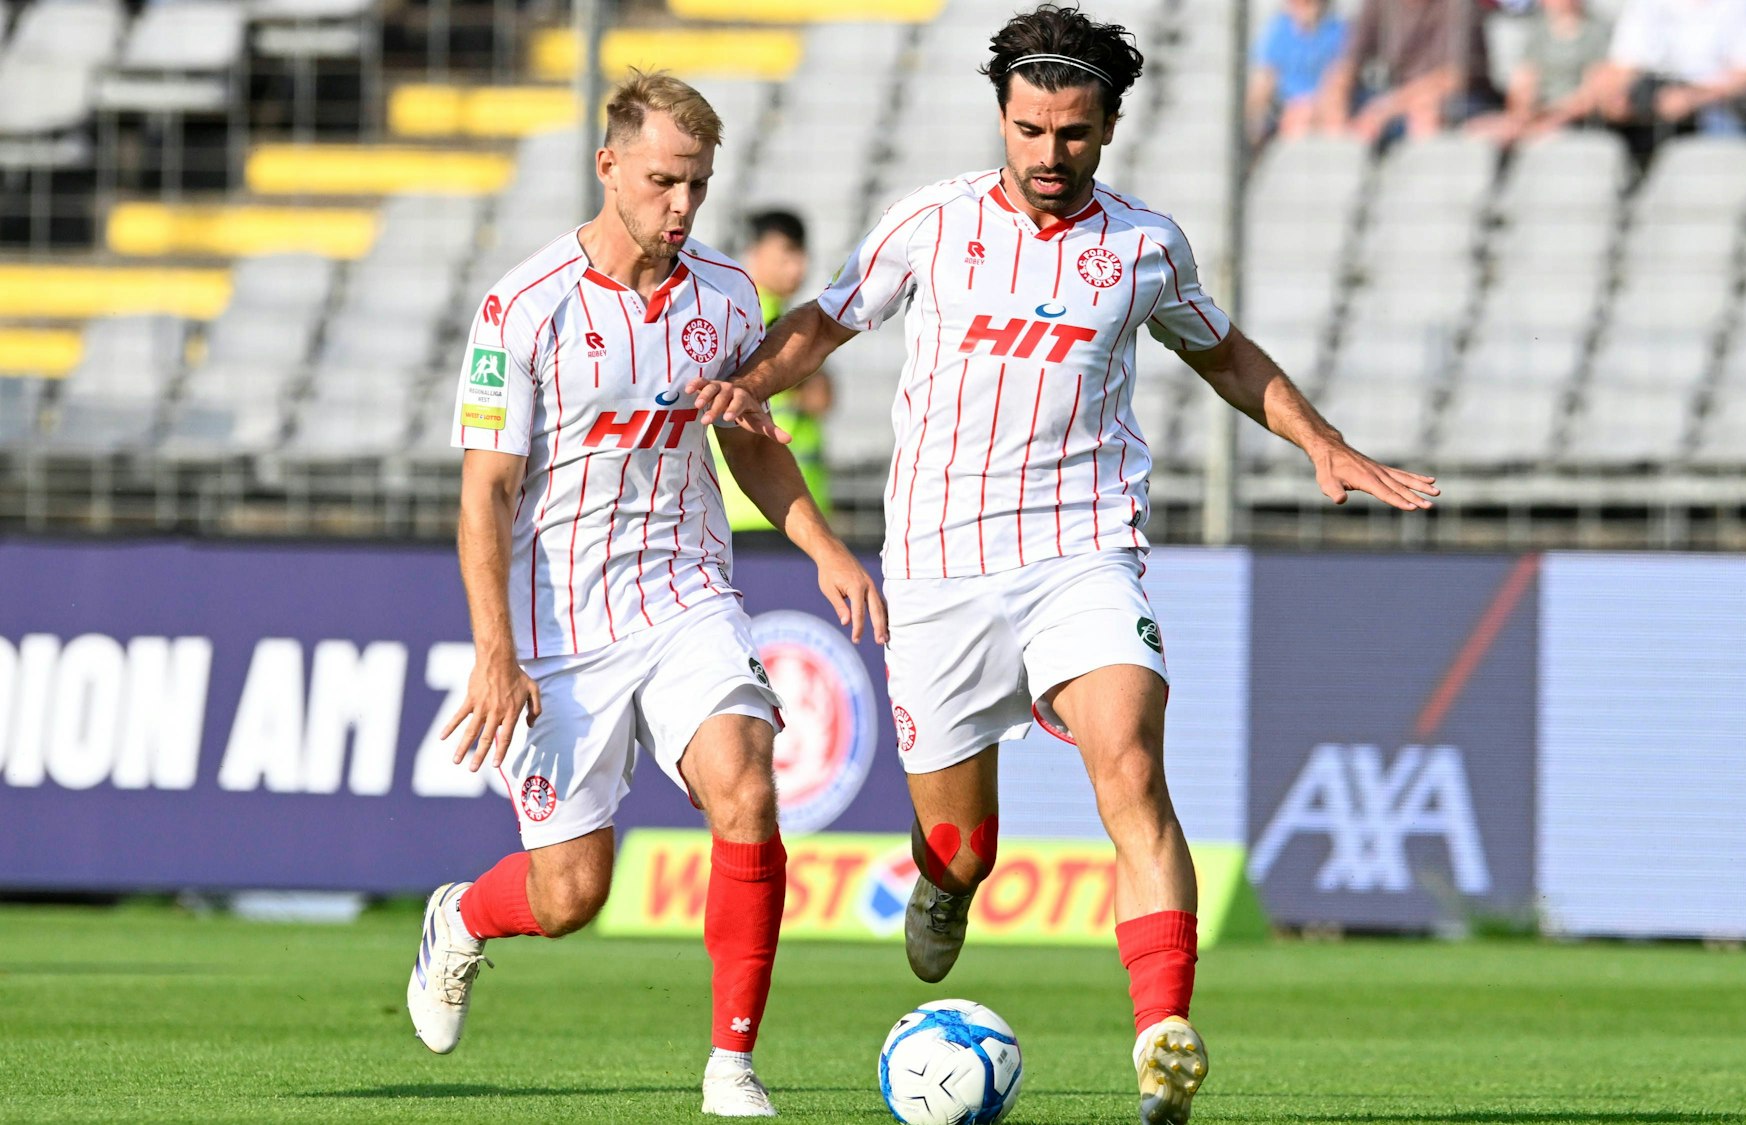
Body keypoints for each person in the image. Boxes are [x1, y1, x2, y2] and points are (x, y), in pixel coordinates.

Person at [692, 6, 1440, 1122]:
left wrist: (1317, 437)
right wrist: (746, 382)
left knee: (1130, 768)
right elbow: (824, 323)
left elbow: (1223, 352)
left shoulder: (1143, 247)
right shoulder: (930, 226)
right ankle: (944, 890)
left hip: (1079, 555)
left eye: (1074, 135)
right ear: (1002, 116)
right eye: (1032, 130)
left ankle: (1162, 1040)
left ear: (1107, 129)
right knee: (957, 847)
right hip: (939, 574)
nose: (1050, 156)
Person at [405, 70, 886, 1119]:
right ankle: (460, 921)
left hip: (686, 596)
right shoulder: (520, 309)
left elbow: (747, 442)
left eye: (698, 186)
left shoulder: (723, 294)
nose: (680, 206)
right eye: (664, 181)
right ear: (608, 166)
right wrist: (495, 651)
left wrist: (820, 546)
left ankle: (730, 1067)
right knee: (571, 895)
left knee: (748, 787)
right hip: (559, 628)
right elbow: (485, 494)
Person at [713, 209, 835, 531]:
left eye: (801, 255)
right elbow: (820, 396)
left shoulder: (778, 315)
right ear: (753, 253)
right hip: (761, 507)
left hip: (779, 506)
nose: (798, 267)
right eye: (787, 254)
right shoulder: (754, 319)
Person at [1319, 0, 1496, 144]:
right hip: (1395, 96)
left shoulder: (1461, 6)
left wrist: (1387, 108)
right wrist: (1335, 100)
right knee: (1307, 114)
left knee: (1425, 115)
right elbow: (1346, 63)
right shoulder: (1379, 4)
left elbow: (1455, 77)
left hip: (1462, 100)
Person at [1593, 0, 1746, 138]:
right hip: (1652, 107)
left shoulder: (1741, 6)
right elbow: (1623, 65)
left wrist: (1694, 98)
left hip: (1715, 108)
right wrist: (1616, 97)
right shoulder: (1646, 5)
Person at [1467, 0, 1612, 144]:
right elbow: (1525, 80)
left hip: (1574, 120)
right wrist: (1521, 119)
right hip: (1538, 114)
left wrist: (1551, 119)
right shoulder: (1538, 31)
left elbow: (1592, 92)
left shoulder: (1596, 32)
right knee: (1476, 132)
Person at [1246, 0, 1347, 148]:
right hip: (1284, 112)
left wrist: (1311, 108)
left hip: (1323, 111)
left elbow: (1339, 81)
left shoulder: (1339, 32)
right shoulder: (1277, 32)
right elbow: (1262, 84)